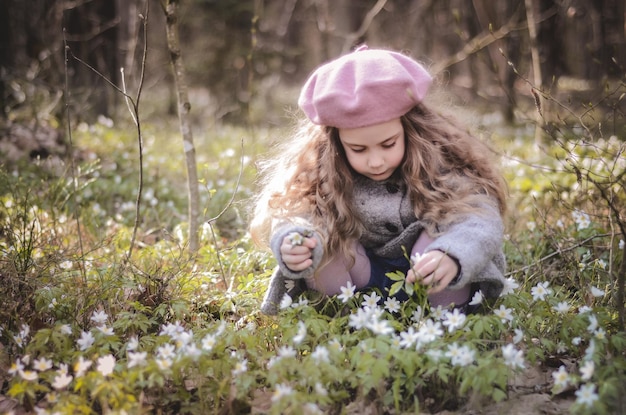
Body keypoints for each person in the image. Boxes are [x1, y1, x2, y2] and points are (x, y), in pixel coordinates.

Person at [249, 45, 508, 315]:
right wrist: (294, 241)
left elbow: (479, 216)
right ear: (335, 143)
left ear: (411, 128)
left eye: (388, 144)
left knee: (435, 236)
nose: (375, 161)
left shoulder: (441, 161)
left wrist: (453, 255)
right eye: (358, 150)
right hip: (360, 279)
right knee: (325, 247)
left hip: (428, 276)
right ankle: (346, 324)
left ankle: (445, 324)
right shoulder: (322, 170)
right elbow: (296, 211)